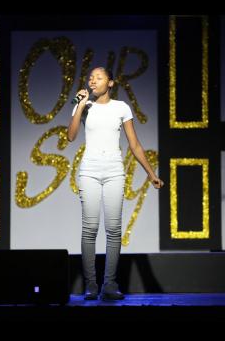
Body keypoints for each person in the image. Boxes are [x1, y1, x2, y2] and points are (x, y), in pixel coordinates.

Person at [67, 67, 164, 301]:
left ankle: (109, 284)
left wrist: (151, 173)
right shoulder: (84, 106)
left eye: (98, 77)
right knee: (89, 229)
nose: (93, 80)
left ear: (110, 83)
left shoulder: (121, 108)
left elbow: (135, 144)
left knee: (113, 230)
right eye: (91, 77)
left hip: (114, 171)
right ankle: (91, 284)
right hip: (89, 171)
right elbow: (70, 136)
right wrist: (80, 105)